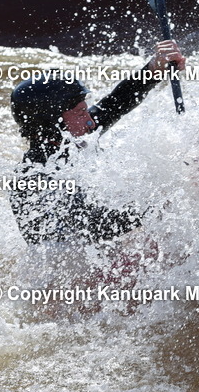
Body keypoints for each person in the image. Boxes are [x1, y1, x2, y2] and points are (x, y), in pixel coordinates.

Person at [9, 40, 185, 245]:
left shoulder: (71, 138)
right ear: (51, 122)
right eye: (80, 113)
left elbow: (117, 102)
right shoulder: (34, 175)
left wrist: (154, 69)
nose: (90, 121)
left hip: (96, 247)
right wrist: (157, 207)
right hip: (68, 258)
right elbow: (92, 224)